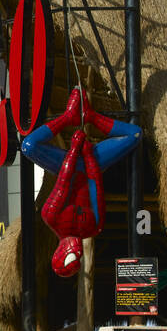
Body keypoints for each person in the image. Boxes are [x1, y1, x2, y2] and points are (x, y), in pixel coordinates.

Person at [21, 87, 141, 278]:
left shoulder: (50, 216)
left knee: (28, 146)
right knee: (134, 134)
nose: (76, 253)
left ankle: (67, 117)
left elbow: (63, 183)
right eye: (77, 259)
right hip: (90, 163)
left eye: (70, 257)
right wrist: (87, 155)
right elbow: (96, 187)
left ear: (59, 252)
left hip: (67, 164)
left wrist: (74, 150)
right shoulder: (94, 226)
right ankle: (91, 115)